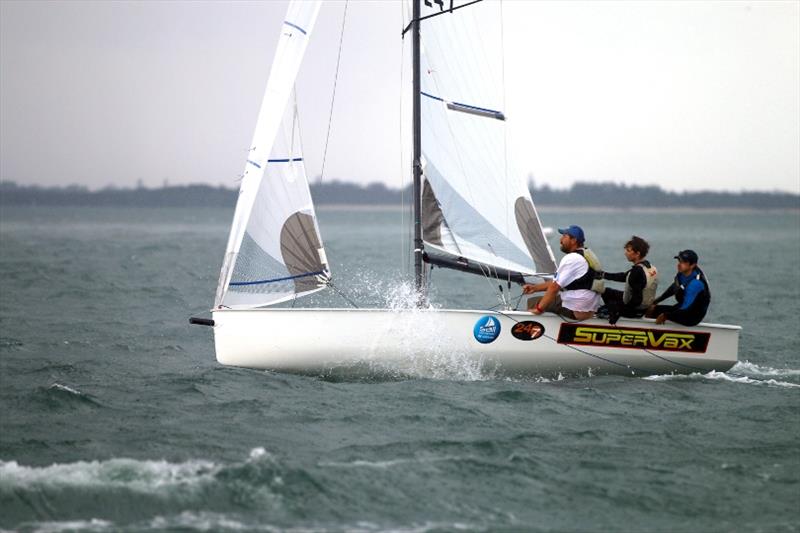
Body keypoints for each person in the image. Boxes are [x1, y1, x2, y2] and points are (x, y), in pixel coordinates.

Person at [522, 225, 602, 320]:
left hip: (577, 309)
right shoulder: (586, 255)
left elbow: (555, 287)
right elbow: (557, 282)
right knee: (552, 299)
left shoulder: (572, 258)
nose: (561, 240)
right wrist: (535, 288)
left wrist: (539, 309)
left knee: (533, 302)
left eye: (564, 236)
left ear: (573, 240)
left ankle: (534, 331)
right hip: (589, 307)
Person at [600, 236, 658, 324]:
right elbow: (625, 276)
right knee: (607, 291)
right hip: (644, 307)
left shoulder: (636, 272)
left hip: (635, 311)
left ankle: (611, 320)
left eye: (628, 251)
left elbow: (636, 300)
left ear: (637, 253)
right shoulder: (647, 266)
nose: (625, 253)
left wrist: (617, 311)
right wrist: (603, 275)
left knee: (604, 309)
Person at [646, 249, 710, 326]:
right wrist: (656, 301)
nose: (679, 264)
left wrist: (666, 316)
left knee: (661, 314)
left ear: (692, 265)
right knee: (652, 309)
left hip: (692, 316)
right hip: (683, 307)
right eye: (679, 261)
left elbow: (685, 309)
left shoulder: (695, 284)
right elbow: (674, 287)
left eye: (683, 262)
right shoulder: (682, 273)